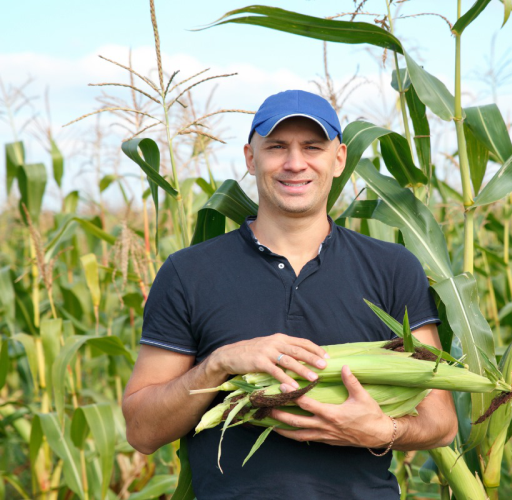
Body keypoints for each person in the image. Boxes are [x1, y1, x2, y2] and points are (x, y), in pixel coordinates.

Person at [122, 90, 458, 499]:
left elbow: (441, 422)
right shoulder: (188, 272)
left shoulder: (392, 267)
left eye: (312, 147)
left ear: (338, 159)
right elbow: (141, 430)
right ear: (250, 157)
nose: (295, 163)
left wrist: (379, 430)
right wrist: (219, 364)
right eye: (277, 147)